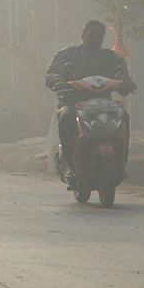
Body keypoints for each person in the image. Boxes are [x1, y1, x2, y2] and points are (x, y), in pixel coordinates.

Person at [46, 20, 136, 179]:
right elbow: (53, 73)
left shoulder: (111, 57)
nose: (94, 39)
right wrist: (59, 82)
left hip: (104, 104)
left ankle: (121, 164)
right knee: (66, 117)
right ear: (83, 35)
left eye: (99, 36)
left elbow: (122, 74)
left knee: (124, 117)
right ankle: (68, 164)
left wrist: (125, 83)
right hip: (73, 102)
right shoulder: (67, 55)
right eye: (91, 35)